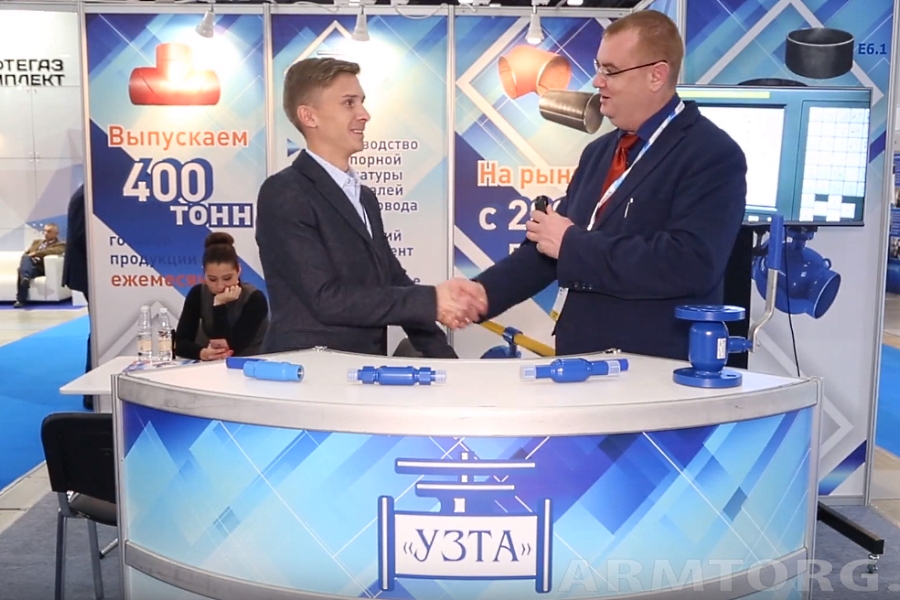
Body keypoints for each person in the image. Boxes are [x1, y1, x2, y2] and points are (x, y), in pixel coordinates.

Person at [469, 11, 747, 360]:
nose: (597, 81)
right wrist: (479, 294)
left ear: (656, 75)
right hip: (578, 360)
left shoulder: (711, 154)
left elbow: (689, 263)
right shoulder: (598, 152)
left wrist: (571, 244)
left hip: (652, 369)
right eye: (598, 67)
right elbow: (549, 251)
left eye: (610, 71)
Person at [256, 57, 483, 357]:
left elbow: (394, 281)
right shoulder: (284, 192)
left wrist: (448, 360)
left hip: (359, 372)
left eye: (361, 102)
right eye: (349, 103)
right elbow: (326, 299)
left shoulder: (365, 198)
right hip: (309, 373)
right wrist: (432, 301)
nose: (364, 115)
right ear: (309, 116)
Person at [174, 232, 269, 361]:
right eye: (212, 279)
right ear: (204, 273)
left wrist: (219, 304)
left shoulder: (255, 299)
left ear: (238, 270)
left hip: (251, 365)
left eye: (227, 278)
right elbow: (179, 343)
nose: (220, 286)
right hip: (212, 367)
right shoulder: (198, 294)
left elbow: (228, 348)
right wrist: (202, 353)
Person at [62, 184, 93, 409]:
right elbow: (83, 235)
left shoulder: (86, 191)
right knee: (100, 332)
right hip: (88, 272)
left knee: (98, 331)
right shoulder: (86, 194)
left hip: (89, 272)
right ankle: (91, 392)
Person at [15, 222, 66, 308]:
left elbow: (52, 251)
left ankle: (21, 299)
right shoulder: (36, 242)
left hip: (41, 268)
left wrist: (36, 253)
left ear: (56, 233)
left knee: (22, 270)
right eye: (44, 231)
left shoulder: (60, 244)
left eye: (49, 231)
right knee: (25, 261)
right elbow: (27, 253)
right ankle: (25, 278)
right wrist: (29, 257)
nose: (45, 233)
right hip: (31, 265)